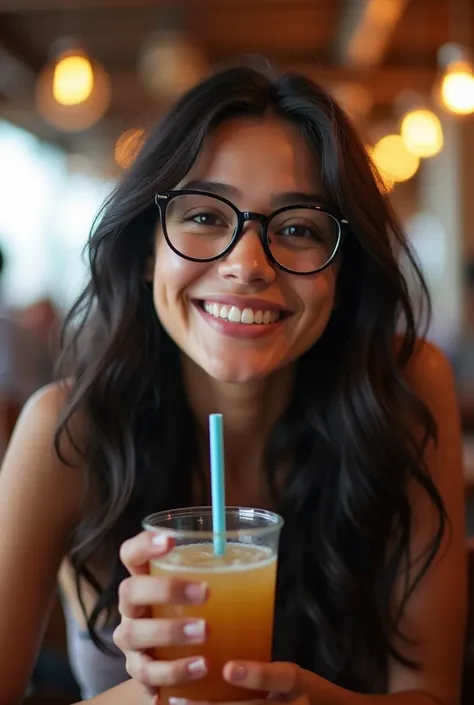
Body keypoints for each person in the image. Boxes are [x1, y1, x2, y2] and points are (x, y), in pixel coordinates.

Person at [0, 64, 466, 705]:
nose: (246, 265)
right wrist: (155, 693)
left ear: (343, 270)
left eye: (299, 227)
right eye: (202, 216)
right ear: (145, 250)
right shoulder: (69, 429)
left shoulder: (406, 390)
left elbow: (433, 694)